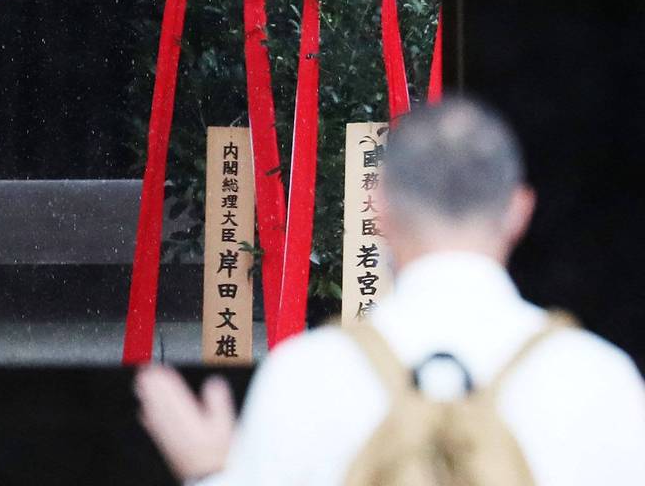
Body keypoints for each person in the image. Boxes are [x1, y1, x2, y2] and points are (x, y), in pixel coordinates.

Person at [134, 99, 645, 485]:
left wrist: (210, 474)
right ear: (519, 210)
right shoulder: (600, 380)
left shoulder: (306, 376)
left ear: (376, 206)